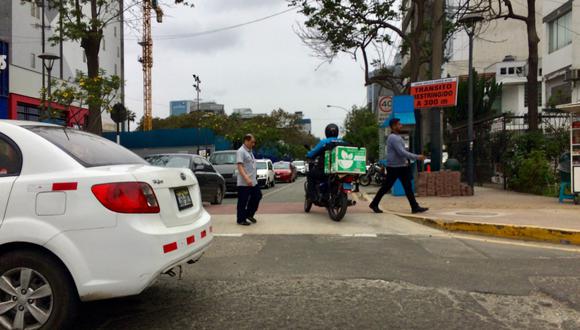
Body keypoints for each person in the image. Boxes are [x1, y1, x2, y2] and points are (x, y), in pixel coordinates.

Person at [369, 118, 429, 214]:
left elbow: (402, 153)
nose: (401, 126)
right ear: (394, 126)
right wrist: (417, 157)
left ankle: (415, 207)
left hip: (400, 166)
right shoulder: (393, 138)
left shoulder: (396, 137)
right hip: (395, 168)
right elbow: (401, 152)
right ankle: (374, 204)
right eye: (399, 124)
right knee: (386, 187)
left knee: (407, 187)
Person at [306, 123, 344, 201]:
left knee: (310, 175)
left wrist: (309, 155)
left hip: (326, 170)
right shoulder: (342, 141)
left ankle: (313, 197)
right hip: (342, 170)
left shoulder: (324, 142)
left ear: (326, 132)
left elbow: (312, 153)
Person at [236, 134, 262, 226]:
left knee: (257, 196)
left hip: (253, 181)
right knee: (243, 201)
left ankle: (249, 214)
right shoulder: (241, 151)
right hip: (244, 182)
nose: (253, 144)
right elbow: (240, 166)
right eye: (252, 142)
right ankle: (241, 219)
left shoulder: (249, 151)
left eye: (254, 142)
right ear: (246, 141)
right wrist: (246, 178)